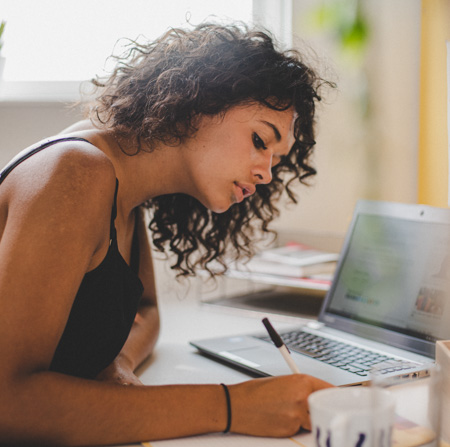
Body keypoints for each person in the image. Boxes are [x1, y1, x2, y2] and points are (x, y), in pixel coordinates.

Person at [0, 22, 334, 445]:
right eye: (259, 139)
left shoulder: (125, 189)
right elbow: (7, 401)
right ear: (201, 102)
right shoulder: (76, 174)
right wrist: (234, 406)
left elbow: (147, 311)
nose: (266, 172)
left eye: (276, 160)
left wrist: (116, 362)